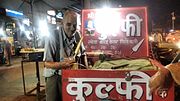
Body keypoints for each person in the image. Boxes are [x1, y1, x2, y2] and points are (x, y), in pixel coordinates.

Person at [43, 10, 88, 101]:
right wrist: (62, 64)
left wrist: (87, 71)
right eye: (68, 24)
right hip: (55, 76)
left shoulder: (77, 35)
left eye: (75, 25)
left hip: (72, 76)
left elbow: (83, 55)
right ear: (62, 23)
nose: (72, 28)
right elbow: (46, 63)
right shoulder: (53, 36)